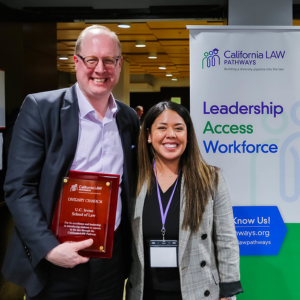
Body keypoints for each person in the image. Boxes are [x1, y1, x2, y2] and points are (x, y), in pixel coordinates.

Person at [2, 25, 140, 300]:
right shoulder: (41, 109)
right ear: (76, 62)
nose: (100, 69)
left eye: (109, 60)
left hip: (110, 263)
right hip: (55, 260)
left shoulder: (128, 119)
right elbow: (19, 187)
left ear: (119, 64)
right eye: (92, 59)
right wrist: (49, 249)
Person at [126, 101, 243, 300]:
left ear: (188, 135)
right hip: (145, 292)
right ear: (148, 135)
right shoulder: (135, 180)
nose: (170, 134)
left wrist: (228, 293)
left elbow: (226, 240)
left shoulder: (211, 179)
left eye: (178, 128)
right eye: (161, 128)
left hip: (200, 292)